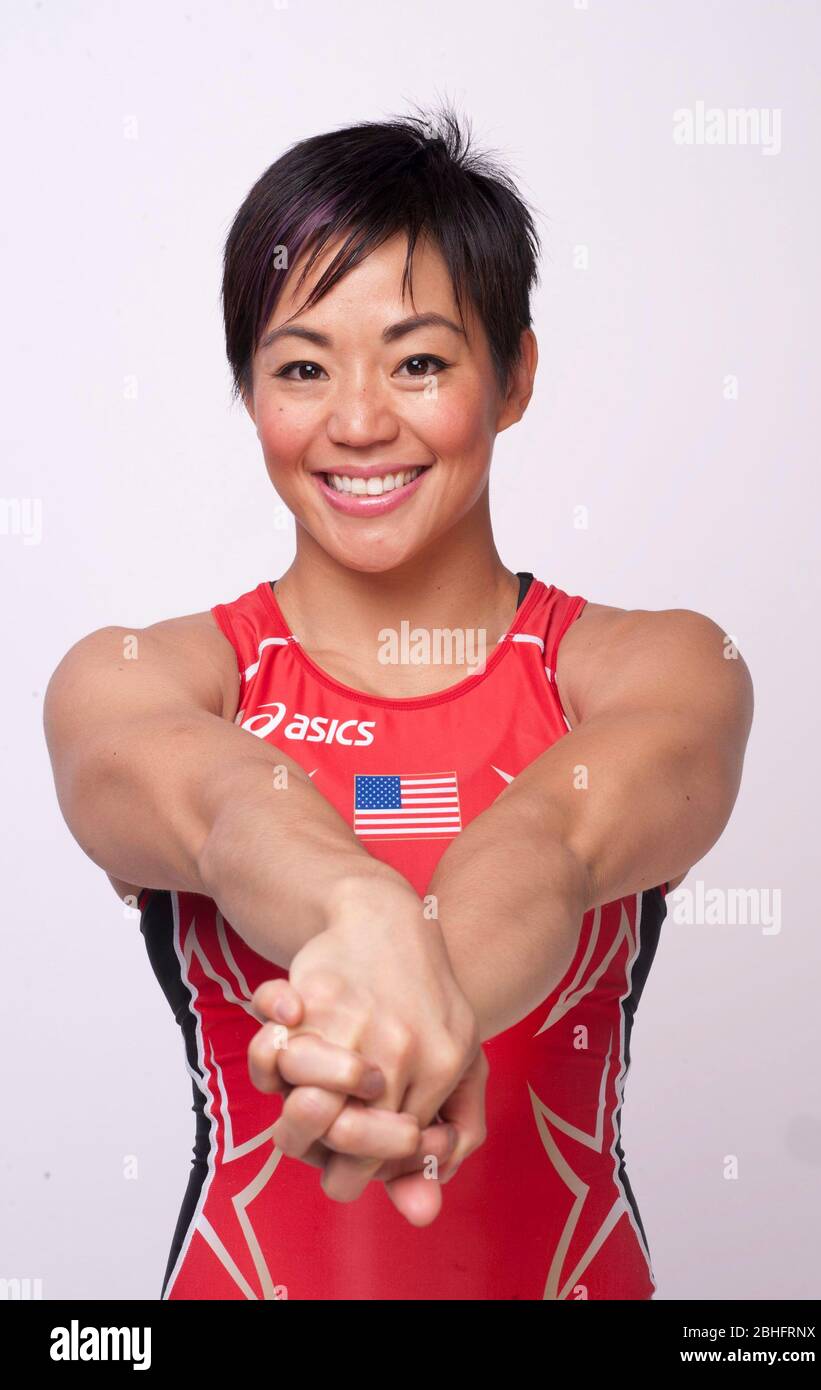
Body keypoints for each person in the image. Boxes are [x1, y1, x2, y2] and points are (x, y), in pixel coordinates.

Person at [43, 106, 753, 1300]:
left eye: (420, 360)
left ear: (514, 374)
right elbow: (231, 807)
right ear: (248, 391)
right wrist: (363, 897)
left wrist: (392, 1035)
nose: (359, 420)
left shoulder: (662, 666)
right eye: (301, 367)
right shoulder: (133, 678)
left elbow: (551, 839)